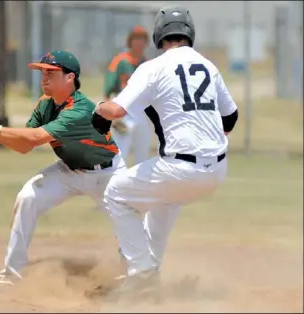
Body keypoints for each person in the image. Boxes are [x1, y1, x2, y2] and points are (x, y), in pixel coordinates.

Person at [92, 6, 239, 294]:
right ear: (190, 34)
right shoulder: (208, 66)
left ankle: (141, 272)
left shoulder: (153, 67)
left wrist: (97, 111)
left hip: (179, 169)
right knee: (163, 201)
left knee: (116, 195)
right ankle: (150, 275)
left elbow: (116, 109)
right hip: (217, 169)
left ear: (159, 36)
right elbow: (230, 117)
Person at [0, 50, 126, 287]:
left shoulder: (80, 109)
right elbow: (24, 146)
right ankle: (10, 277)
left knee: (127, 220)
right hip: (68, 171)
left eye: (51, 72)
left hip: (107, 174)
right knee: (27, 198)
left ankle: (134, 273)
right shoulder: (45, 105)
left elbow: (36, 137)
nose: (44, 77)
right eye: (42, 72)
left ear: (70, 78)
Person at [103, 26, 152, 165]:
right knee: (120, 154)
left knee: (143, 154)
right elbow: (107, 90)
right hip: (123, 111)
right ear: (130, 41)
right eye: (136, 38)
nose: (139, 42)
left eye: (142, 39)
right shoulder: (120, 61)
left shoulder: (147, 64)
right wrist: (111, 117)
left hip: (141, 112)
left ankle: (140, 184)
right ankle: (115, 183)